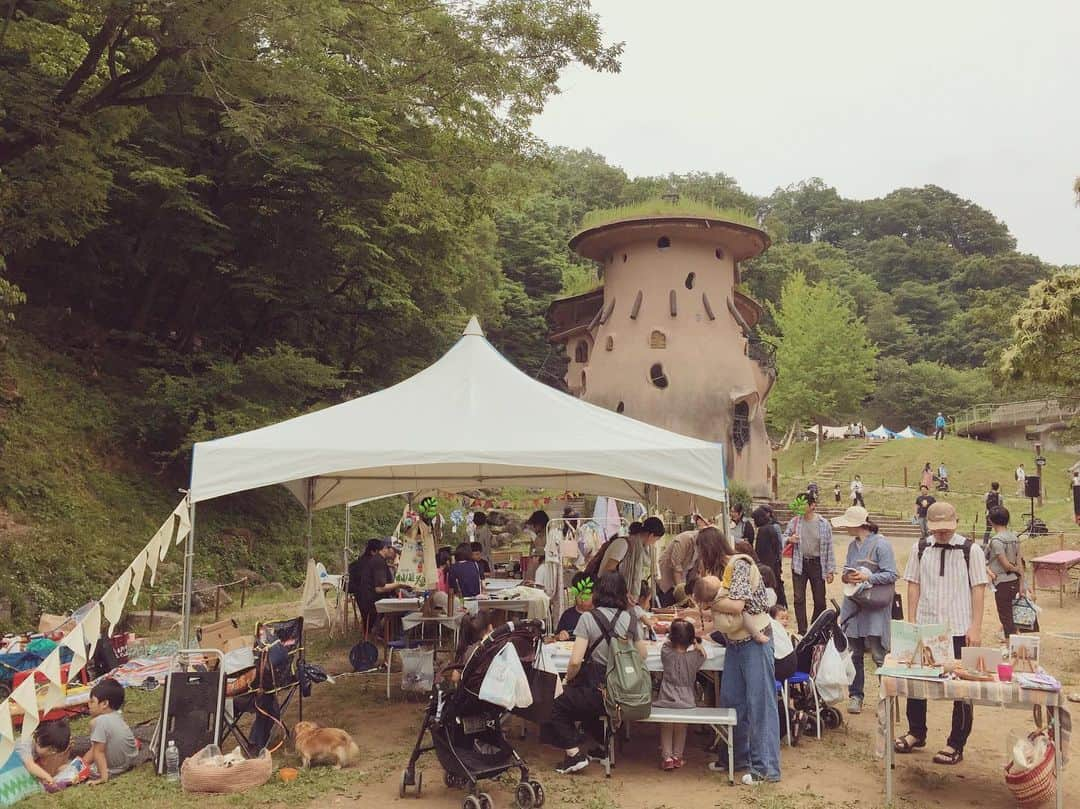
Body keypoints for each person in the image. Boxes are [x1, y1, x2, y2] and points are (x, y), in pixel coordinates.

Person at [894, 502, 988, 766]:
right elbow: (912, 583)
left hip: (959, 627)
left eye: (946, 529)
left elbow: (978, 588)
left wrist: (976, 626)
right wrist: (911, 621)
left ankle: (956, 742)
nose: (942, 533)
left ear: (956, 523)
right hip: (927, 626)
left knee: (962, 687)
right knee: (916, 679)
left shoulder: (971, 550)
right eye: (937, 529)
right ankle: (916, 731)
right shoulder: (920, 548)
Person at [543, 572, 647, 774]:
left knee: (556, 703)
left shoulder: (588, 618)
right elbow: (641, 654)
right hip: (624, 692)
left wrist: (566, 679)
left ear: (598, 592)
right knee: (584, 704)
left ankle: (574, 754)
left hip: (597, 691)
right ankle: (601, 746)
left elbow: (574, 662)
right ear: (623, 594)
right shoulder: (631, 618)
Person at [699, 550, 781, 783]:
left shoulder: (740, 565)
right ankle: (735, 758)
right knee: (731, 700)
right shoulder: (721, 575)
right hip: (735, 643)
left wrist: (712, 600)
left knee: (760, 704)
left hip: (754, 641)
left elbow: (737, 606)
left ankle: (765, 768)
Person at [832, 506, 897, 715]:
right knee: (854, 652)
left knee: (879, 654)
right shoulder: (852, 546)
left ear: (857, 524)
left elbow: (891, 574)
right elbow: (845, 569)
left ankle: (885, 698)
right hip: (854, 602)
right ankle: (856, 695)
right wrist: (847, 577)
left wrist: (868, 577)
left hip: (875, 603)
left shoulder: (881, 544)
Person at [653, 619, 712, 770]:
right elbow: (703, 654)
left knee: (666, 725)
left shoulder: (666, 653)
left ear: (672, 637)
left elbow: (666, 643)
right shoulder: (695, 657)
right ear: (691, 639)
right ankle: (678, 756)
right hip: (687, 700)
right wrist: (696, 644)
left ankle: (667, 757)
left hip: (666, 697)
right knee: (681, 727)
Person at [783, 494, 836, 634]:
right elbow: (782, 539)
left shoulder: (824, 524)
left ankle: (814, 628)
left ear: (812, 505)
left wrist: (830, 570)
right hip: (800, 563)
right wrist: (789, 539)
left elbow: (829, 548)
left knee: (819, 600)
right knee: (798, 598)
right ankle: (802, 630)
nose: (800, 507)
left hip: (817, 564)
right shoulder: (794, 522)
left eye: (803, 504)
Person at [597, 517, 665, 605]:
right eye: (656, 539)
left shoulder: (639, 549)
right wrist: (623, 591)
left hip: (622, 598)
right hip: (609, 596)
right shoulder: (623, 544)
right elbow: (608, 570)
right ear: (651, 535)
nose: (654, 543)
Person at [352, 538, 411, 637]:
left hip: (370, 599)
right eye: (394, 551)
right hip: (372, 602)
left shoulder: (379, 560)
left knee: (403, 601)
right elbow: (379, 588)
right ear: (385, 548)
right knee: (406, 608)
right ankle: (392, 636)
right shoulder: (378, 561)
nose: (396, 554)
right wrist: (399, 584)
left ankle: (387, 633)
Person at [85, 679, 138, 783]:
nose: (88, 704)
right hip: (127, 763)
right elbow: (96, 748)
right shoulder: (116, 716)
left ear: (104, 704)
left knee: (64, 769)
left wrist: (103, 778)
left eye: (92, 701)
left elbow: (98, 751)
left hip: (113, 769)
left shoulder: (100, 721)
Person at [986, 506, 1025, 639]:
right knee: (1012, 613)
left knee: (1005, 615)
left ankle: (1010, 644)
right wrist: (1022, 581)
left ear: (991, 521)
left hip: (1002, 582)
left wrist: (1014, 569)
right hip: (1014, 580)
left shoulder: (996, 540)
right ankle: (1013, 639)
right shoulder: (1014, 537)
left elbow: (1006, 565)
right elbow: (1019, 561)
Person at [16, 719, 71, 786]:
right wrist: (47, 777)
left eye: (54, 752)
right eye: (50, 750)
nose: (50, 753)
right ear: (40, 739)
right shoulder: (24, 743)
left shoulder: (38, 751)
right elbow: (29, 765)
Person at [752, 505, 786, 608]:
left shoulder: (763, 531)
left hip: (766, 564)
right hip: (774, 563)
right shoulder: (771, 528)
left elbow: (759, 550)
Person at [658, 527, 698, 607]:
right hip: (667, 581)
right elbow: (676, 569)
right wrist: (682, 595)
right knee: (670, 607)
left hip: (683, 581)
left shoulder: (702, 547)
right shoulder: (684, 540)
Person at [555, 573, 594, 639]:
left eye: (587, 594)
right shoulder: (567, 615)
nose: (582, 599)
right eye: (579, 594)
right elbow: (556, 637)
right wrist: (560, 636)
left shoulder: (598, 615)